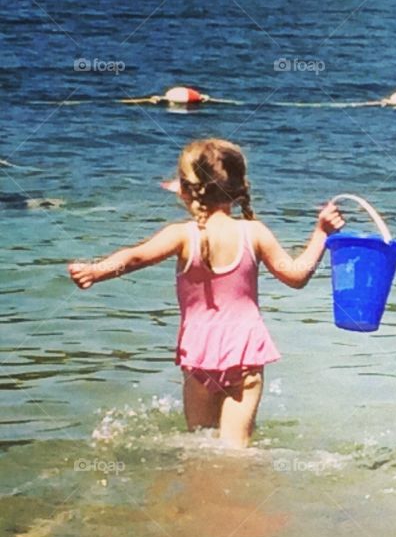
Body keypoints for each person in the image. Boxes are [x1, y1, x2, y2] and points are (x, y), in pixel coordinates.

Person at [68, 138, 344, 448]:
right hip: (245, 353)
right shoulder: (254, 233)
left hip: (198, 355)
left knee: (200, 445)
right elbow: (296, 276)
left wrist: (96, 271)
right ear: (239, 187)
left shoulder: (182, 235)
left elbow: (135, 258)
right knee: (235, 449)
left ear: (186, 191)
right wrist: (321, 234)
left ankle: (201, 493)